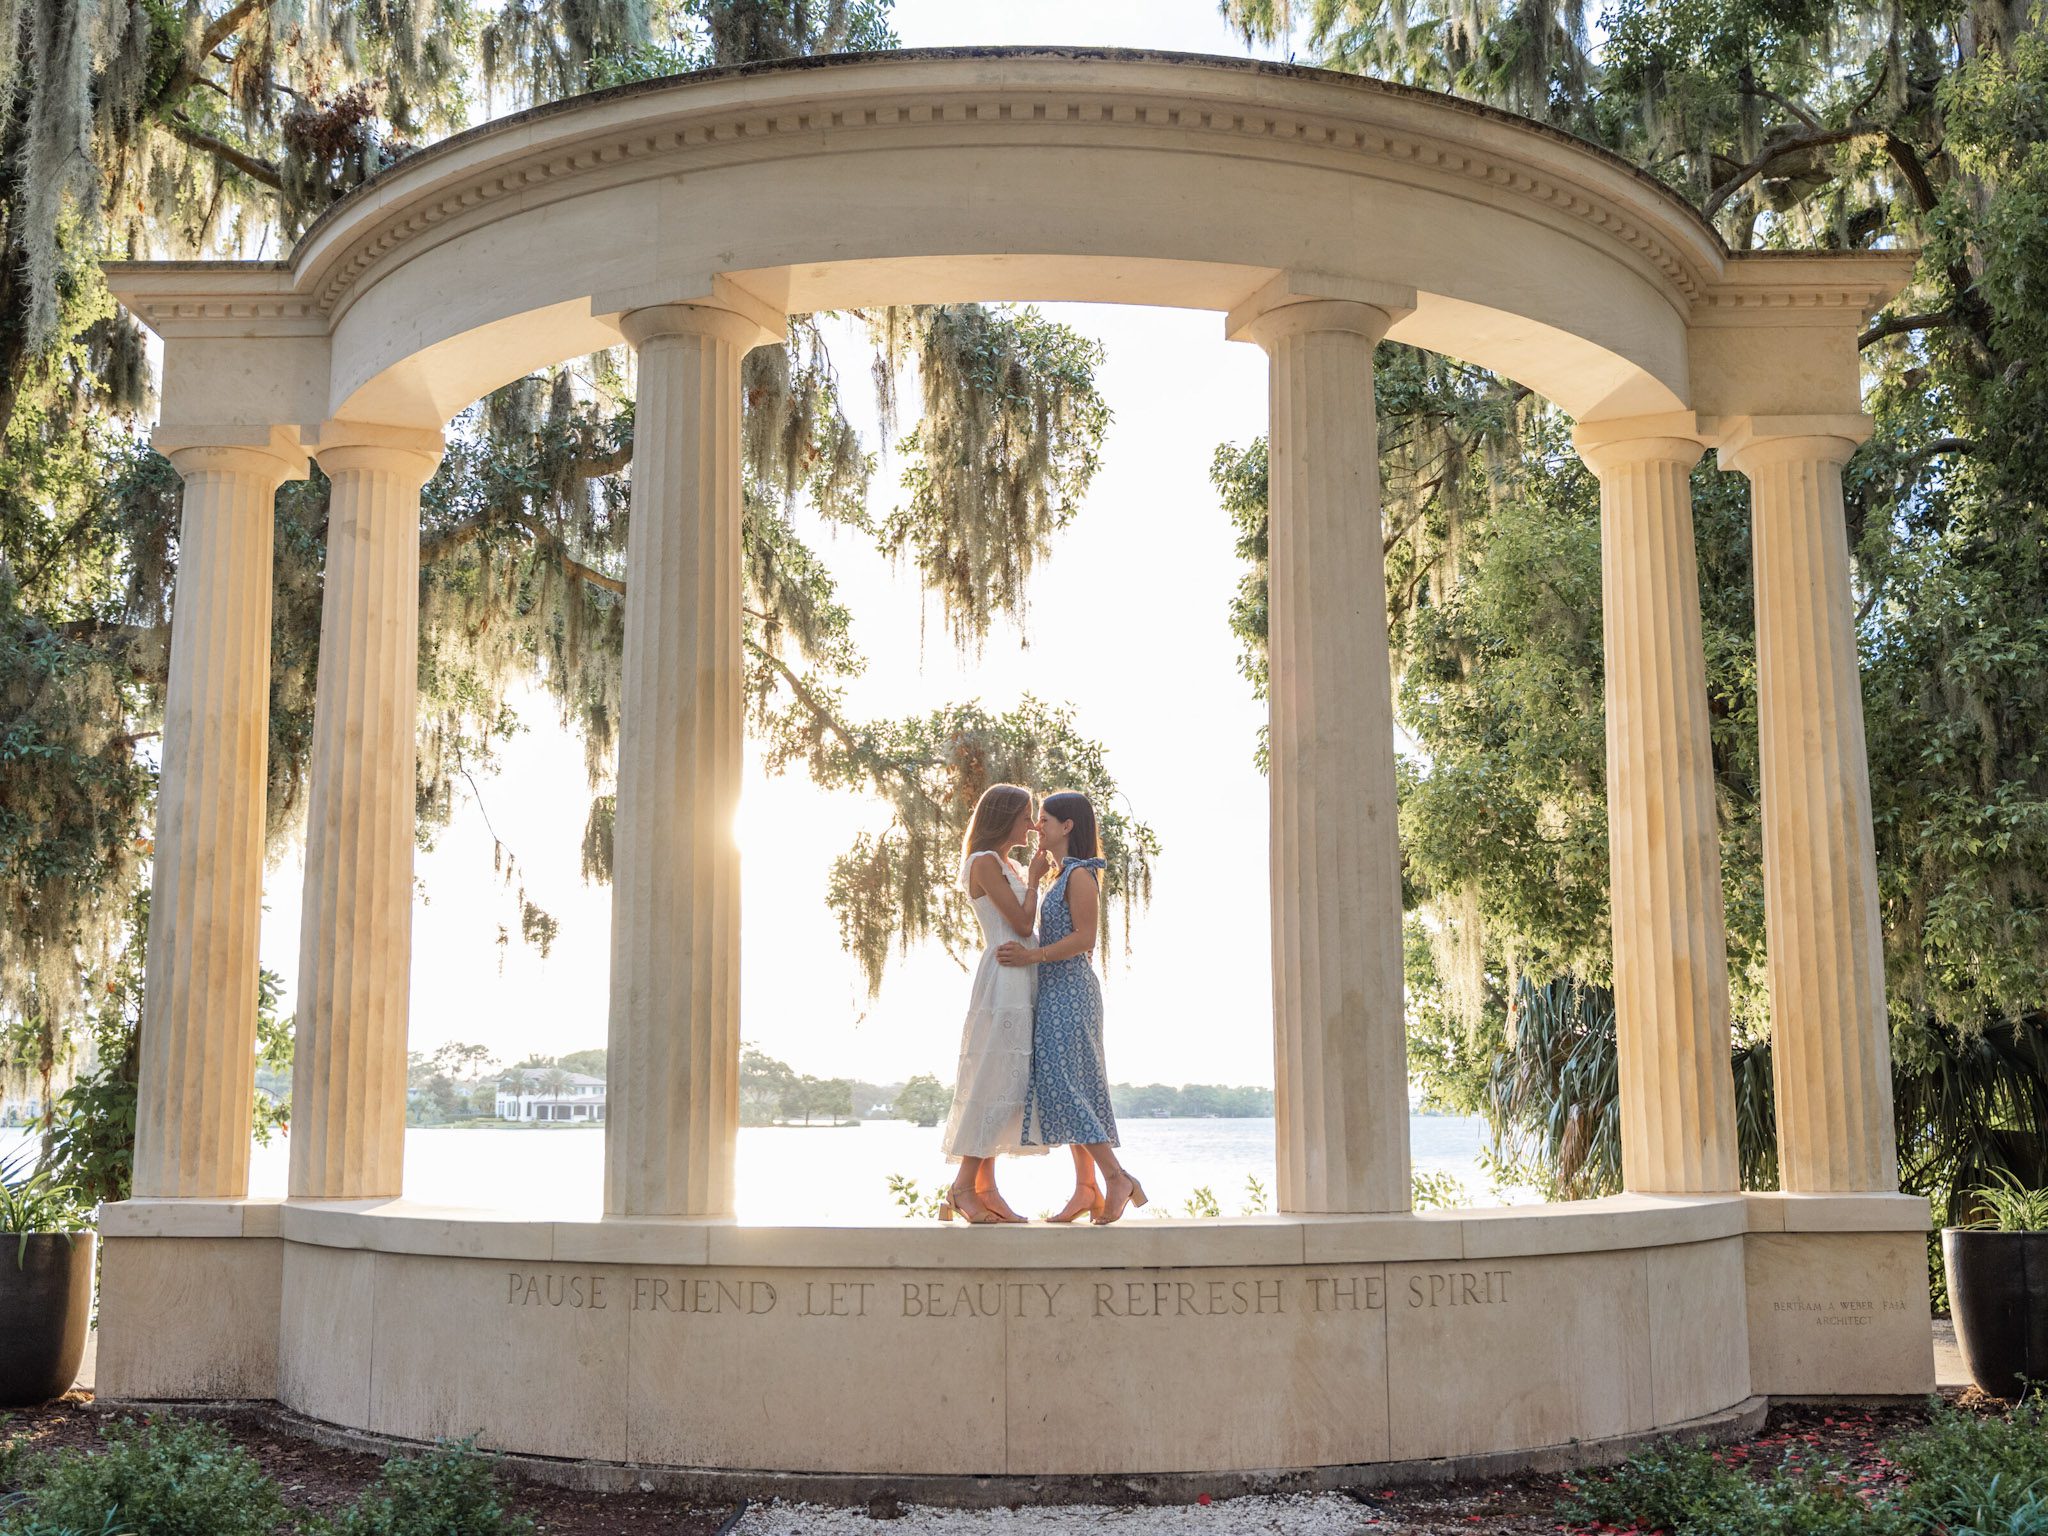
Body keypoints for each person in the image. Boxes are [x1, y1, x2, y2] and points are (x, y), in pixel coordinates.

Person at [1000, 790, 1148, 1224]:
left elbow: (1086, 939)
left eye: (1044, 819)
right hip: (1053, 990)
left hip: (1071, 991)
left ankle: (1116, 1178)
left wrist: (1032, 957)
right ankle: (1087, 1191)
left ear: (1067, 827)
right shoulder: (1057, 875)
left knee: (1067, 1086)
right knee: (1064, 1085)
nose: (1037, 827)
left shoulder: (1081, 875)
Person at [937, 782, 1047, 1222]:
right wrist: (1036, 880)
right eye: (1026, 816)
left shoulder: (1008, 864)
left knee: (1012, 1081)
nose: (1033, 824)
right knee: (994, 1079)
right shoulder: (983, 863)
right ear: (1004, 817)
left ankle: (986, 1187)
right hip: (1004, 975)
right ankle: (963, 1187)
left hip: (1023, 975)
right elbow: (1021, 924)